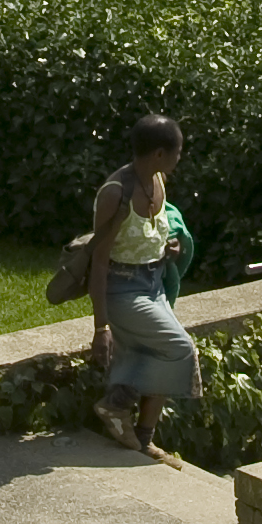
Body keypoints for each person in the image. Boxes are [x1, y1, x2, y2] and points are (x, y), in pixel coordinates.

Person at [88, 113, 199, 459]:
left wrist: (170, 247)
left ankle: (143, 439)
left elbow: (151, 231)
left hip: (153, 285)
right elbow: (99, 261)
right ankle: (116, 403)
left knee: (165, 353)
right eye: (178, 151)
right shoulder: (115, 194)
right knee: (181, 350)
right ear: (160, 154)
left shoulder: (158, 181)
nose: (180, 158)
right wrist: (101, 326)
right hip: (123, 290)